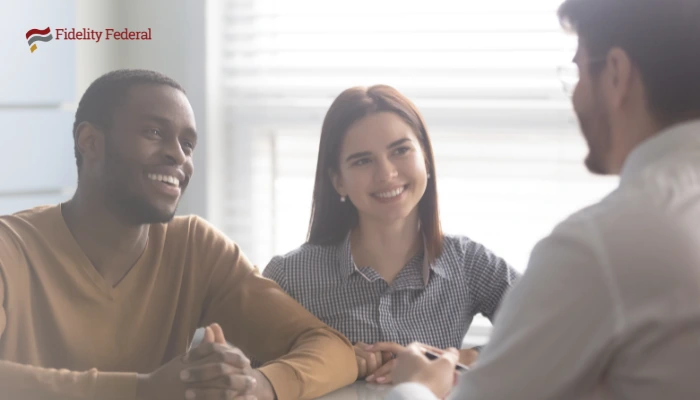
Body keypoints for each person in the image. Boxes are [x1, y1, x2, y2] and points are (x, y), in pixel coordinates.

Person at [388, 0, 700, 399]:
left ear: (616, 74)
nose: (577, 97)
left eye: (579, 70)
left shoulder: (597, 247)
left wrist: (415, 387)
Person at [0, 69, 356, 400]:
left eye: (187, 144)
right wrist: (143, 390)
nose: (177, 155)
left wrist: (255, 384)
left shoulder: (195, 249)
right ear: (90, 142)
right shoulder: (10, 248)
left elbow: (332, 349)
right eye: (154, 133)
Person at [262, 85, 519, 384]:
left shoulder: (468, 262)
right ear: (338, 182)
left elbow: (553, 329)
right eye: (362, 160)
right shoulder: (289, 277)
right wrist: (331, 363)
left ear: (426, 157)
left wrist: (458, 359)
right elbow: (247, 380)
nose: (386, 174)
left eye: (400, 150)